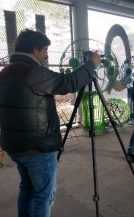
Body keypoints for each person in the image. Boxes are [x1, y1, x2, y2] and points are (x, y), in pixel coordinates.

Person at [0, 29, 101, 217]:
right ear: (34, 50)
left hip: (14, 145)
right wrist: (91, 65)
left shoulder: (5, 72)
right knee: (43, 195)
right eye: (45, 50)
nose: (46, 55)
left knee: (27, 188)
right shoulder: (34, 72)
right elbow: (67, 83)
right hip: (36, 146)